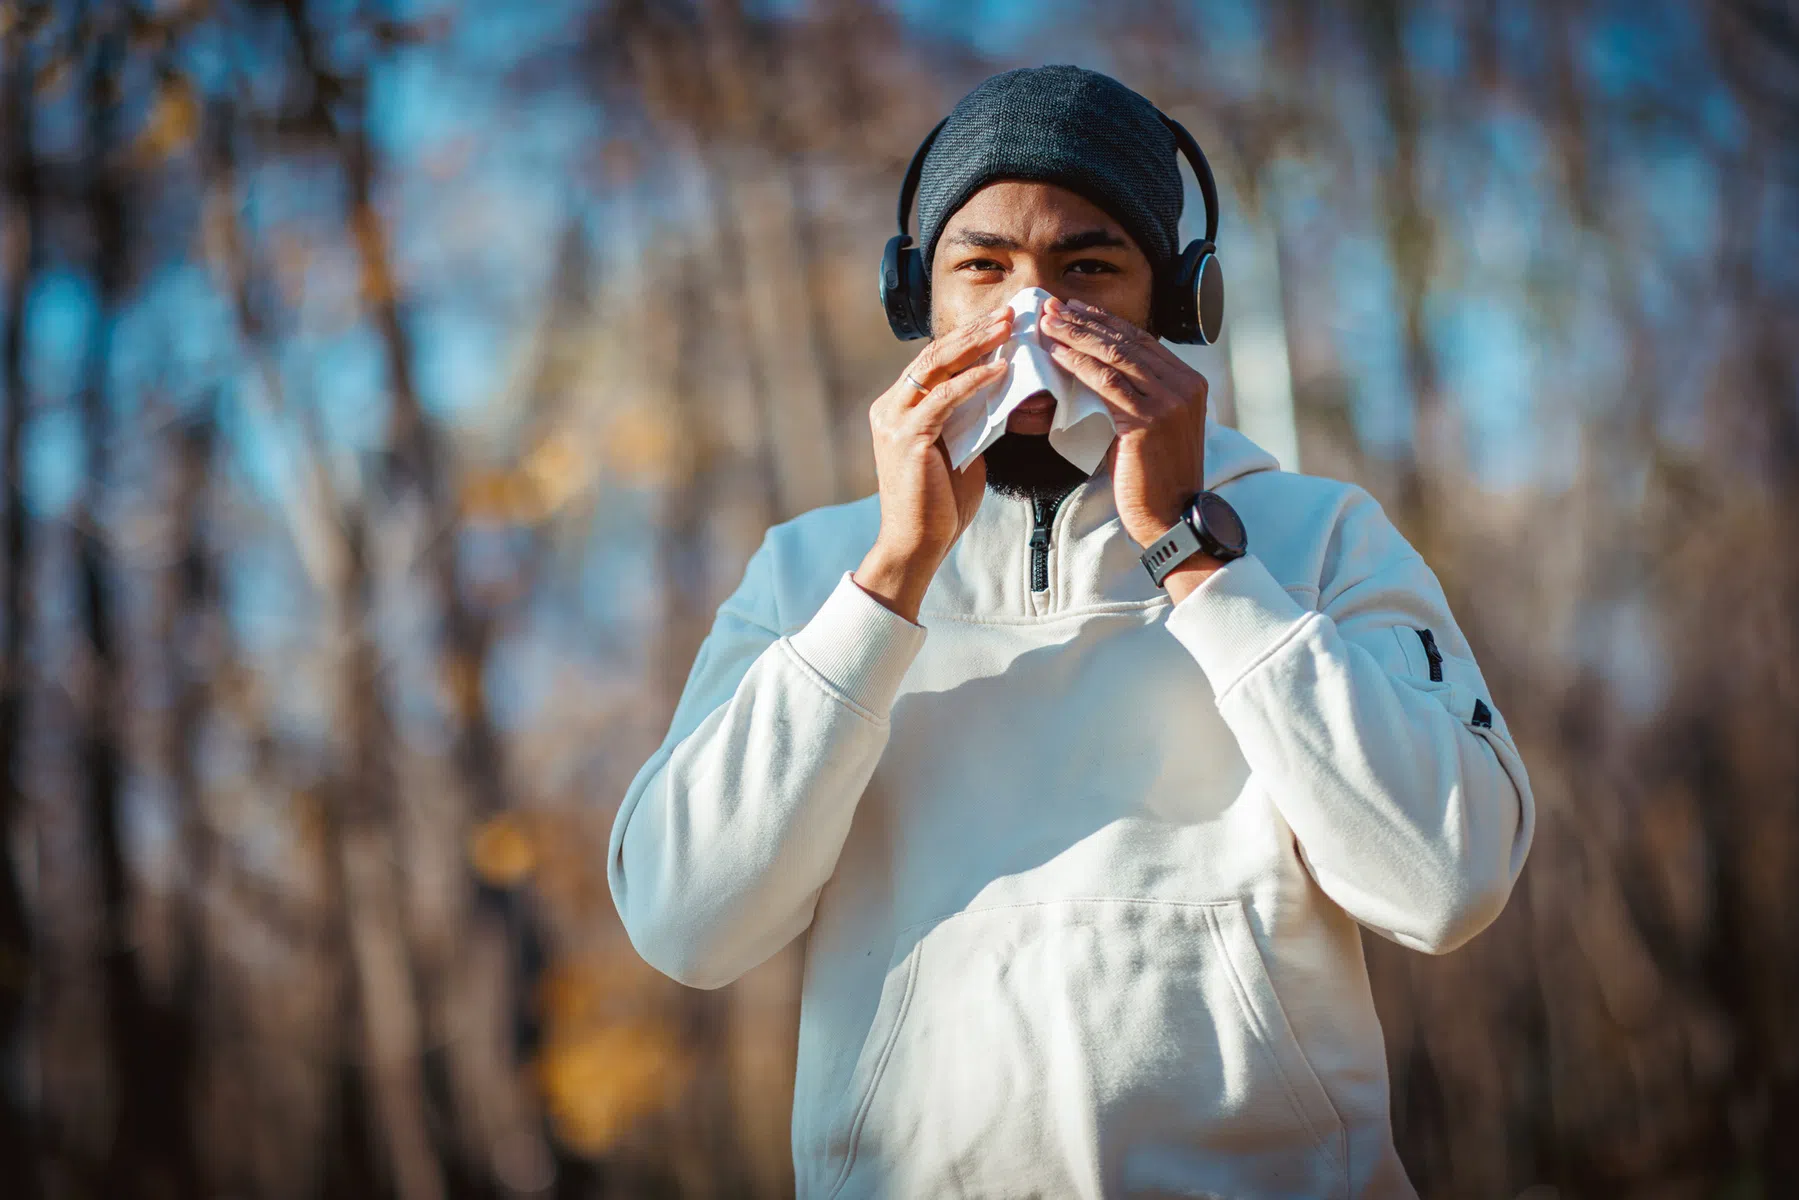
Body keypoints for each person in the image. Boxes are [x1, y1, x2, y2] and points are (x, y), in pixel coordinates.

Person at [608, 64, 1533, 1199]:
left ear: (1176, 302)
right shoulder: (810, 570)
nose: (1029, 314)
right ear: (918, 300)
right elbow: (685, 927)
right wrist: (887, 582)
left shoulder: (1316, 535)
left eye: (1086, 267)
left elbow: (1444, 885)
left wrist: (1196, 553)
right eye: (981, 267)